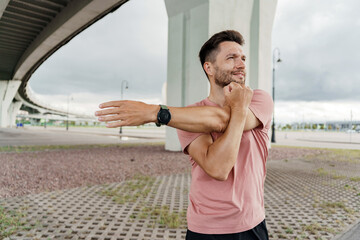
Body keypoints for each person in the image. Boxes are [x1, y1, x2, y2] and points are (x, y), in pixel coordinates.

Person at [95, 30, 273, 240]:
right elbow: (218, 167)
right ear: (209, 68)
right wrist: (240, 110)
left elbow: (222, 119)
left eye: (243, 58)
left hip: (251, 224)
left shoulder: (259, 99)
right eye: (231, 58)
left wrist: (155, 113)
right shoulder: (187, 116)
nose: (241, 64)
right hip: (205, 229)